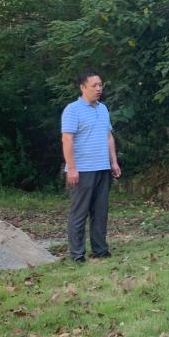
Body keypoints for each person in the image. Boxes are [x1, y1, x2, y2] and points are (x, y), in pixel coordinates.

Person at [61, 71, 121, 263]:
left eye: (100, 85)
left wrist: (113, 162)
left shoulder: (103, 109)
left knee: (100, 212)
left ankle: (100, 250)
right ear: (82, 87)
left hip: (102, 168)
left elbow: (108, 137)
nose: (98, 88)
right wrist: (72, 168)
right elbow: (67, 139)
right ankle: (77, 254)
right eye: (94, 85)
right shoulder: (73, 110)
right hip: (82, 170)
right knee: (79, 213)